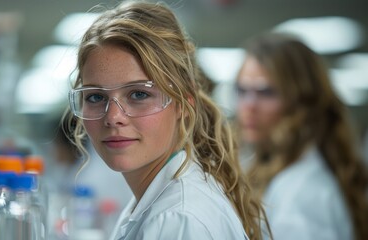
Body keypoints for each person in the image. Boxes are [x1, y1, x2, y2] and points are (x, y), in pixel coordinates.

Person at [65, 1, 269, 239]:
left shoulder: (178, 220)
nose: (112, 117)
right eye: (96, 96)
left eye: (139, 94)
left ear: (184, 102)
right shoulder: (156, 203)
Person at [235, 32, 368, 240]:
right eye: (242, 90)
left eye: (266, 92)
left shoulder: (303, 195)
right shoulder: (288, 176)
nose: (248, 106)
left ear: (302, 101)